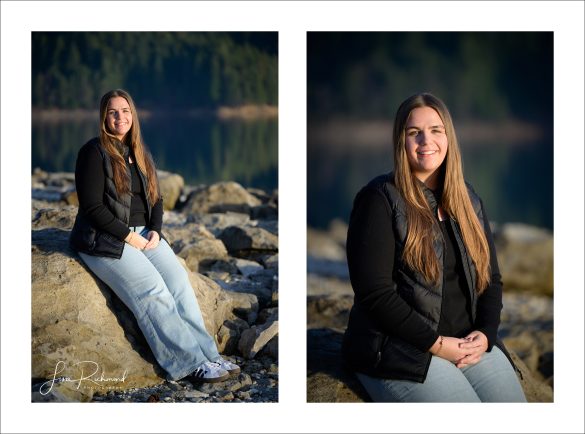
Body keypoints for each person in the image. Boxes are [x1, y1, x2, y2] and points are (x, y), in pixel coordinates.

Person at [342, 93, 526, 402]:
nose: (426, 140)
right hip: (399, 350)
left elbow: (491, 280)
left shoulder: (468, 199)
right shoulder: (379, 199)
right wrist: (438, 344)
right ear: (401, 141)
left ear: (448, 136)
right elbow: (375, 293)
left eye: (435, 130)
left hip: (467, 342)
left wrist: (486, 333)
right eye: (414, 132)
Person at [69, 89, 240, 383]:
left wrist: (156, 232)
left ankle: (209, 355)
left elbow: (156, 198)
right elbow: (92, 207)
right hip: (103, 240)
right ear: (104, 117)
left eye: (125, 111)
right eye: (113, 112)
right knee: (153, 292)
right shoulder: (93, 152)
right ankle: (188, 364)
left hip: (145, 234)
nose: (120, 117)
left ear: (133, 115)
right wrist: (128, 237)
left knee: (179, 285)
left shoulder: (140, 151)